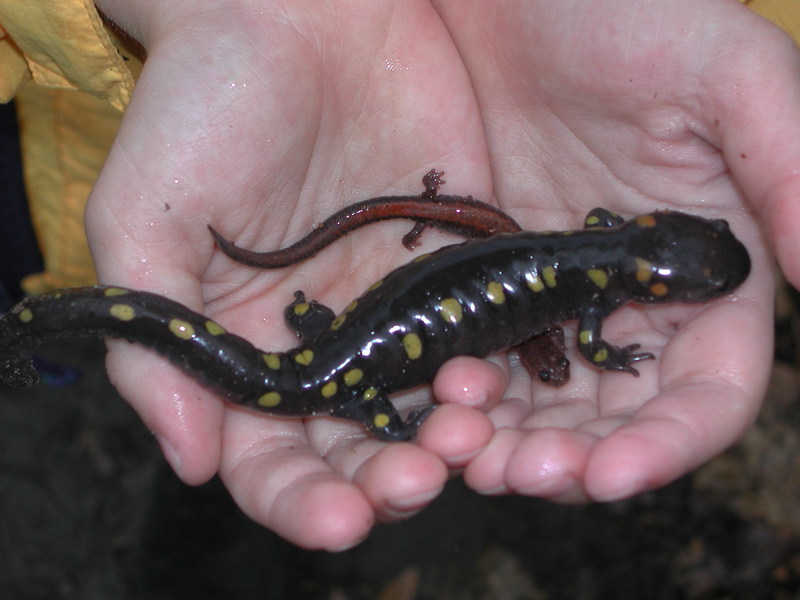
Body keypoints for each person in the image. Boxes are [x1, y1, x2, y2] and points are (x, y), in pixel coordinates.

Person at [4, 0, 800, 550]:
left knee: (323, 357)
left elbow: (595, 240)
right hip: (341, 376)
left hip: (339, 355)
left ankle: (34, 329)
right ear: (652, 259)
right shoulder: (601, 290)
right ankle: (35, 328)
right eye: (695, 282)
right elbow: (591, 344)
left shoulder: (605, 242)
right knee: (348, 387)